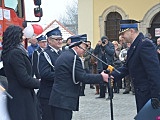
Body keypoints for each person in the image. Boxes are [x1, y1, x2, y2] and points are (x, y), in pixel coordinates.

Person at [49, 34, 109, 120]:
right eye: (84, 48)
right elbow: (82, 77)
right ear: (77, 47)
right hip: (64, 99)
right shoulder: (73, 58)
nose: (85, 50)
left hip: (59, 98)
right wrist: (101, 77)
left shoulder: (65, 55)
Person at [112, 19, 160, 113]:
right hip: (141, 93)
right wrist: (112, 75)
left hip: (149, 94)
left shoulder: (145, 44)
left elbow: (154, 72)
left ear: (131, 31)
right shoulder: (135, 45)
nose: (121, 37)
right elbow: (127, 67)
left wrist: (156, 95)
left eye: (123, 34)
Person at [1, 25, 40, 120]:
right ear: (15, 36)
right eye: (21, 35)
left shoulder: (10, 51)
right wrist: (40, 83)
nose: (24, 37)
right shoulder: (15, 53)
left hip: (19, 94)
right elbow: (24, 79)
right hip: (22, 96)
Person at [38, 27, 63, 120]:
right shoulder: (45, 54)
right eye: (57, 39)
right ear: (49, 40)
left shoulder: (61, 53)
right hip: (48, 94)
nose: (60, 41)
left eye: (61, 39)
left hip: (59, 93)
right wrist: (63, 76)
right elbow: (45, 73)